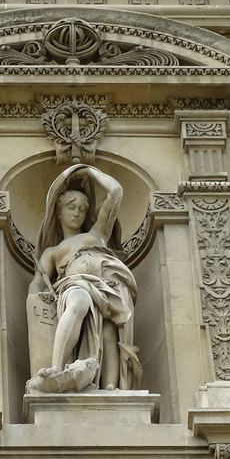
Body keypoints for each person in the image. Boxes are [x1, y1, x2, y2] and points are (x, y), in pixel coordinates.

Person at [28, 164, 141, 391]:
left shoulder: (97, 234)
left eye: (82, 208)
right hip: (75, 285)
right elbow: (37, 285)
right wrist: (36, 299)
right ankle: (57, 369)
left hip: (111, 284)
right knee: (78, 302)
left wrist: (90, 172)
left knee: (110, 331)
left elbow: (116, 192)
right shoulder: (54, 252)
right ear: (58, 211)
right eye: (71, 207)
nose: (77, 213)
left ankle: (110, 386)